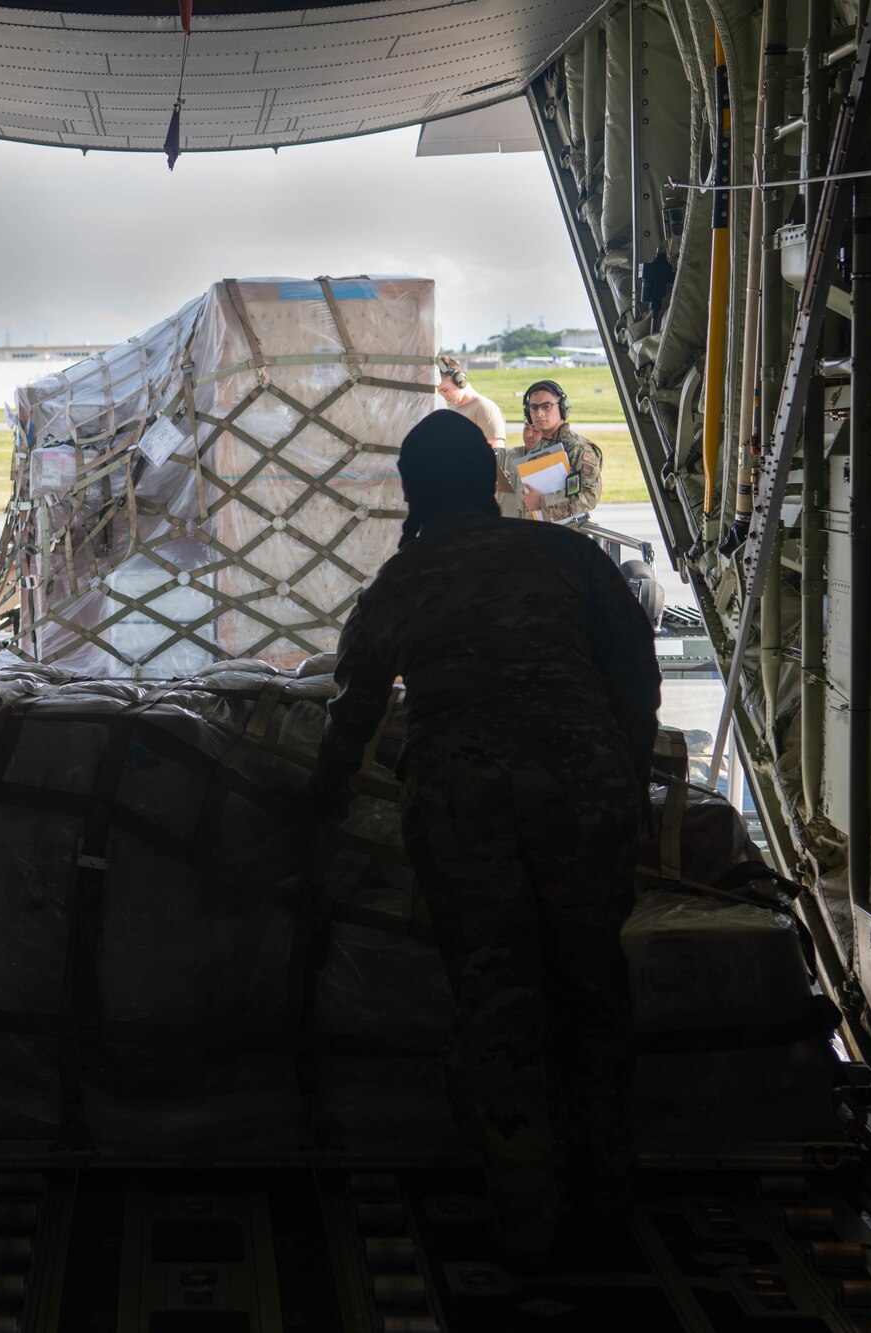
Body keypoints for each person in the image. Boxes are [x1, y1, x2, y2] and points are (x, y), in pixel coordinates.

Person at [308, 410, 659, 1271]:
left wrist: (316, 810)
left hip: (467, 803)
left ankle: (526, 1214)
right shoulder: (571, 558)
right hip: (585, 790)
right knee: (590, 983)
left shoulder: (404, 578)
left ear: (411, 492)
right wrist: (623, 774)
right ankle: (608, 1196)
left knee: (497, 991)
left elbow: (350, 712)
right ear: (496, 479)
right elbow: (639, 674)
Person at [516, 378, 603, 523]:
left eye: (546, 406)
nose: (539, 413)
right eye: (534, 407)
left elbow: (589, 496)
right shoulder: (538, 448)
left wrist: (542, 502)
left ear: (562, 408)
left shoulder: (578, 448)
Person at [438, 356, 507, 447]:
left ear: (459, 380)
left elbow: (496, 454)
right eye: (440, 392)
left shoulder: (484, 408)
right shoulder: (452, 409)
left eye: (445, 390)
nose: (443, 396)